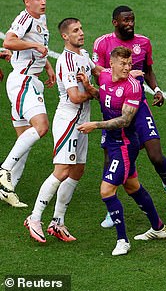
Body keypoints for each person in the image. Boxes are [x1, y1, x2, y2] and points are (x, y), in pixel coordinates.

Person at [93, 5, 166, 228]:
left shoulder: (143, 42)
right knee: (112, 159)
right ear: (115, 22)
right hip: (114, 107)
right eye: (125, 20)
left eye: (132, 19)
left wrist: (157, 89)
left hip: (138, 106)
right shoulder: (102, 43)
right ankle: (111, 207)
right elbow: (100, 76)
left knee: (156, 155)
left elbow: (149, 70)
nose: (130, 24)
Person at [77, 46, 166, 256]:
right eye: (123, 63)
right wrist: (90, 89)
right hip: (111, 143)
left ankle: (123, 241)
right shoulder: (106, 77)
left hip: (125, 145)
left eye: (130, 64)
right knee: (132, 186)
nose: (128, 67)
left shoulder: (133, 87)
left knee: (106, 191)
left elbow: (125, 120)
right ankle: (158, 228)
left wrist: (95, 125)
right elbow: (106, 98)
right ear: (112, 64)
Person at [24, 18, 96, 243]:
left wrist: (122, 74)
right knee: (63, 169)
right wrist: (94, 92)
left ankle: (58, 221)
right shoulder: (66, 61)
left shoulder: (83, 55)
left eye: (81, 29)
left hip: (83, 119)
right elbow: (75, 97)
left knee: (77, 170)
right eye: (75, 31)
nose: (81, 33)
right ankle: (34, 218)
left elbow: (100, 70)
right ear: (65, 36)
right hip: (68, 120)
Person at [0, 0, 56, 207]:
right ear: (27, 2)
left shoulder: (40, 19)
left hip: (27, 79)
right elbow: (9, 41)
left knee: (24, 142)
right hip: (24, 81)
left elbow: (32, 49)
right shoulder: (26, 19)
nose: (43, 1)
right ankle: (3, 170)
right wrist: (33, 44)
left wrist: (47, 66)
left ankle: (7, 190)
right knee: (41, 127)